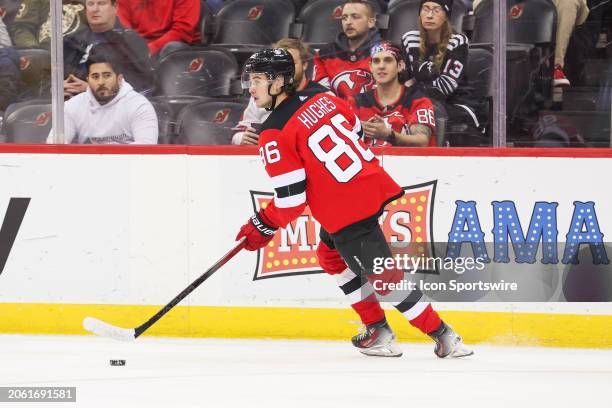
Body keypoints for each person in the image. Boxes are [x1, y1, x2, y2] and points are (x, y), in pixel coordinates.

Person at [235, 48, 473, 358]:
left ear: (278, 83)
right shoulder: (324, 98)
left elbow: (292, 201)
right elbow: (356, 131)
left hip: (346, 210)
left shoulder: (274, 132)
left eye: (257, 80)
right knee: (330, 256)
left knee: (385, 278)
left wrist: (260, 226)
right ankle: (376, 329)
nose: (251, 89)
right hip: (368, 188)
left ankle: (444, 335)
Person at [402, 0, 483, 146]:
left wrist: (411, 89)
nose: (429, 15)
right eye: (425, 9)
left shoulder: (458, 41)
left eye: (436, 10)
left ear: (446, 16)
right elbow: (402, 80)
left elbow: (443, 89)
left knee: (429, 109)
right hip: (420, 102)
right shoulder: (410, 39)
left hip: (456, 105)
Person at [47, 44, 158, 144]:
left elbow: (146, 149)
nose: (101, 82)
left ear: (119, 78)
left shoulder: (139, 106)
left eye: (107, 75)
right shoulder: (72, 106)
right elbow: (54, 145)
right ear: (88, 79)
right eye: (95, 77)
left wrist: (101, 152)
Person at [232, 37, 329, 146]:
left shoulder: (323, 96)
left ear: (305, 65)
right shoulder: (262, 93)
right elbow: (240, 130)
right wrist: (240, 138)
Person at [350, 41, 437, 146]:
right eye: (376, 61)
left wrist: (388, 135)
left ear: (400, 66)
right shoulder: (356, 102)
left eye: (388, 60)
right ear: (371, 67)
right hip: (367, 161)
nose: (381, 66)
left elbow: (422, 142)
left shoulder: (418, 101)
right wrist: (356, 130)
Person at [63, 0, 153, 99]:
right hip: (68, 103)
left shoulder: (130, 41)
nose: (95, 9)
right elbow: (58, 74)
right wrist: (58, 87)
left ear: (115, 7)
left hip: (110, 106)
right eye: (90, 4)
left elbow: (140, 85)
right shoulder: (72, 40)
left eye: (101, 3)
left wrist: (91, 89)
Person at [312, 0, 380, 100]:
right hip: (338, 113)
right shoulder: (324, 54)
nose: (348, 22)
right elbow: (322, 95)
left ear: (370, 22)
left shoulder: (385, 53)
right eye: (344, 18)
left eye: (355, 17)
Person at [117, 0, 200, 58]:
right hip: (140, 47)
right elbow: (122, 28)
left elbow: (182, 31)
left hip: (177, 48)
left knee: (172, 48)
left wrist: (149, 49)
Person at [10, 0, 88, 49]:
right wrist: (35, 50)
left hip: (78, 55)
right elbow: (21, 27)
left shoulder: (90, 4)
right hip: (45, 53)